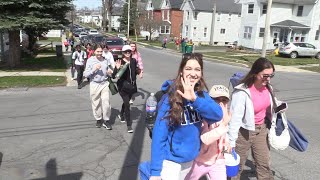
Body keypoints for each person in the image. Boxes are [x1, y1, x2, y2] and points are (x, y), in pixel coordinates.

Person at [139, 53, 223, 180]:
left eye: (197, 69)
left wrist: (195, 100)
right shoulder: (170, 98)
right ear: (181, 71)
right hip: (170, 163)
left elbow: (217, 115)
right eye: (188, 69)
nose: (193, 73)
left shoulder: (201, 96)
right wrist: (155, 172)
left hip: (190, 160)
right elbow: (159, 136)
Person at [227, 58, 280, 180]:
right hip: (243, 131)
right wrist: (231, 142)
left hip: (261, 129)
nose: (268, 79)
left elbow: (266, 105)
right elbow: (234, 119)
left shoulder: (267, 88)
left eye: (271, 75)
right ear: (255, 73)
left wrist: (279, 107)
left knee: (263, 163)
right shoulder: (242, 92)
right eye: (265, 76)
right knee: (237, 165)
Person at [185, 85, 231, 180]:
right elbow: (205, 139)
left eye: (224, 100)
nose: (220, 103)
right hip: (200, 161)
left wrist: (227, 146)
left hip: (218, 161)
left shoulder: (225, 116)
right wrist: (224, 124)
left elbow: (223, 137)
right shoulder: (204, 117)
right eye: (216, 100)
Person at [112, 45, 142, 133]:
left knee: (126, 102)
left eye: (129, 51)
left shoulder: (133, 61)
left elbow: (134, 70)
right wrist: (116, 69)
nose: (128, 53)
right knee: (128, 105)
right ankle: (129, 125)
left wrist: (139, 71)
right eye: (126, 52)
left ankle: (121, 114)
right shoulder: (119, 61)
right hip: (123, 87)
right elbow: (114, 76)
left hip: (131, 86)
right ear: (123, 53)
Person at [83, 44, 113, 129]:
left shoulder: (105, 60)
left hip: (104, 83)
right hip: (94, 84)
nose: (99, 53)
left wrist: (109, 72)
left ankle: (106, 120)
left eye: (101, 51)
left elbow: (108, 70)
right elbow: (85, 74)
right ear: (94, 51)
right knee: (96, 103)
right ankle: (99, 119)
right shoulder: (90, 60)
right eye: (98, 51)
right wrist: (94, 69)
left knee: (106, 102)